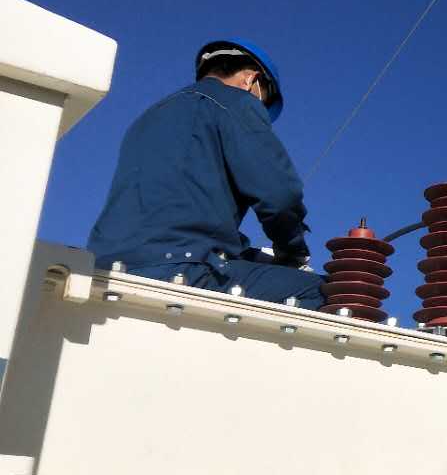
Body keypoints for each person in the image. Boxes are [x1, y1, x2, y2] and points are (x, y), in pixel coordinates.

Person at [87, 40, 325, 308]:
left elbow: (174, 212)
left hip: (106, 268)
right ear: (251, 80)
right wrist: (292, 253)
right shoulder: (236, 103)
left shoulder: (147, 119)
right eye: (263, 99)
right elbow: (279, 195)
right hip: (182, 269)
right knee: (329, 295)